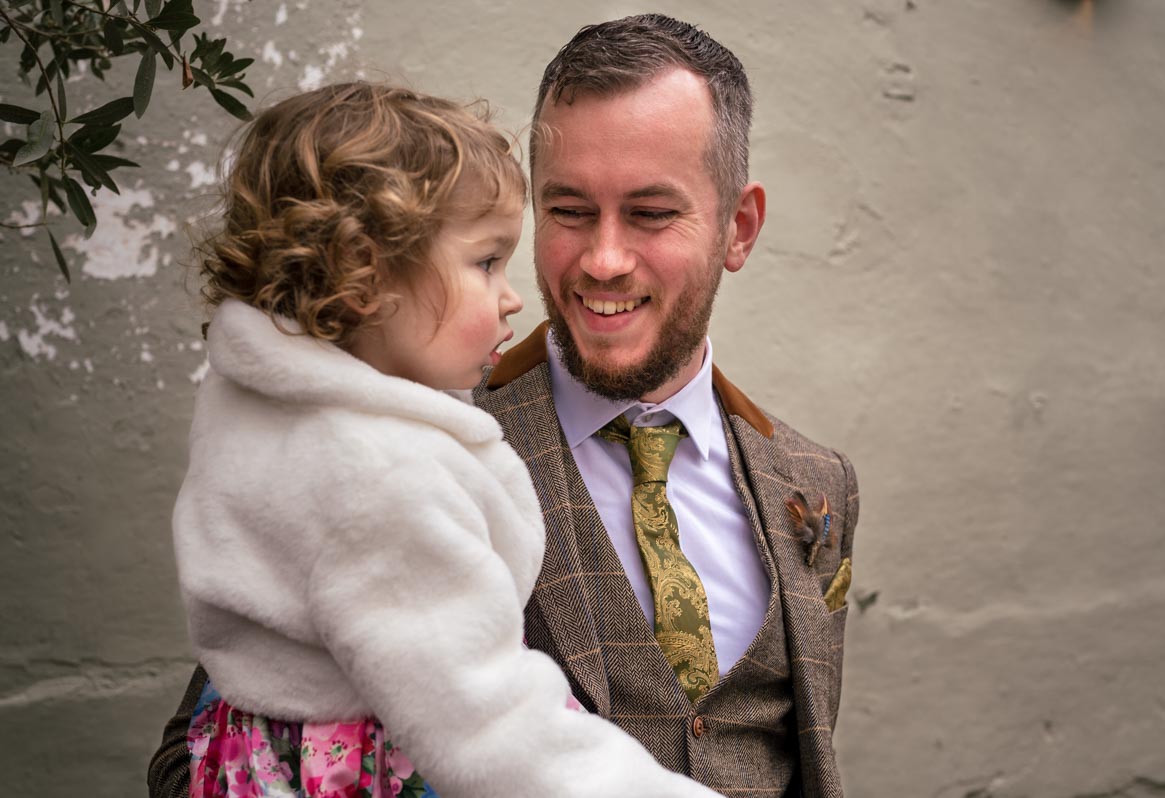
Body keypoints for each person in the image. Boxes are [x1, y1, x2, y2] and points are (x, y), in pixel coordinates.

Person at [151, 15, 860, 798]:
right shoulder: (391, 438)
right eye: (569, 211)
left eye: (652, 213)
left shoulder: (813, 479)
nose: (604, 259)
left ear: (739, 226)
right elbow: (218, 739)